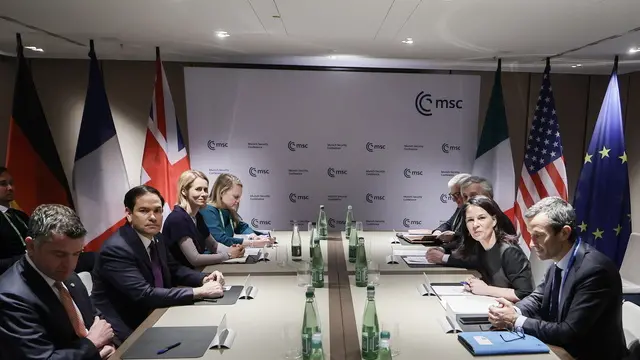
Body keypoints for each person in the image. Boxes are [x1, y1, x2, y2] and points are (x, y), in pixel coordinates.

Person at [488, 197, 628, 360]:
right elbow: (538, 298)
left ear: (564, 233)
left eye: (538, 236)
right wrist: (514, 310)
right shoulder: (560, 260)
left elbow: (569, 332)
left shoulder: (595, 270)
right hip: (562, 349)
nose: (532, 244)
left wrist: (515, 320)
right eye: (530, 235)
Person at [91, 185, 226, 342]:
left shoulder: (157, 238)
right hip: (127, 327)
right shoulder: (117, 249)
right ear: (128, 214)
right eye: (144, 211)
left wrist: (204, 279)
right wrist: (199, 292)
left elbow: (175, 270)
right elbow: (145, 295)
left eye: (157, 210)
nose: (153, 217)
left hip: (158, 312)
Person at [0, 204, 116, 359]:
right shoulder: (9, 298)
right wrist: (92, 344)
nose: (70, 265)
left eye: (76, 253)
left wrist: (109, 343)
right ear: (31, 246)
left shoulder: (65, 274)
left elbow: (95, 319)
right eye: (59, 254)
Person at [0, 166, 95, 275]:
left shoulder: (19, 215)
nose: (10, 188)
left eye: (11, 183)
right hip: (18, 271)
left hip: (42, 262)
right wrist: (27, 257)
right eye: (3, 184)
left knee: (93, 258)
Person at [427, 176, 516, 268]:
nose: (468, 200)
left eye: (473, 195)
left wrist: (444, 258)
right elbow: (463, 242)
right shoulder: (472, 217)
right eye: (465, 196)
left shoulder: (497, 220)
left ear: (489, 196)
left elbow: (486, 259)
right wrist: (443, 249)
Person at [458, 196, 534, 302]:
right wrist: (474, 284)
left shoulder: (510, 251)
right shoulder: (480, 247)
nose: (475, 225)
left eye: (481, 218)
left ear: (494, 220)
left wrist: (486, 289)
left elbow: (525, 294)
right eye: (470, 220)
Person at [163, 170, 245, 268]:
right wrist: (229, 255)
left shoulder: (197, 216)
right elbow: (195, 259)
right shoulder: (178, 219)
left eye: (205, 190)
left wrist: (232, 250)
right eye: (198, 189)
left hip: (196, 273)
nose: (204, 194)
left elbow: (213, 246)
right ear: (184, 191)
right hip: (180, 279)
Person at [200, 173, 275, 247]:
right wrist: (252, 243)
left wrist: (254, 236)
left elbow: (242, 227)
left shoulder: (227, 209)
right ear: (222, 193)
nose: (238, 201)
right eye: (236, 197)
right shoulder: (207, 211)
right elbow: (220, 239)